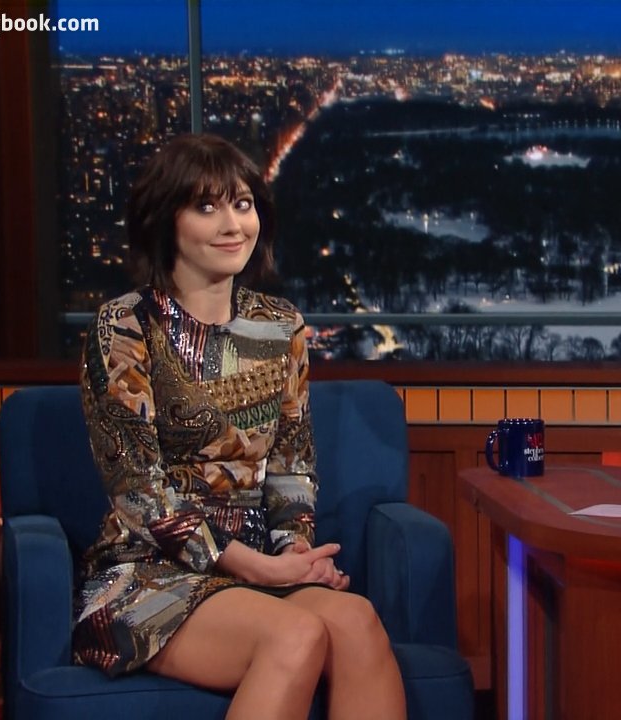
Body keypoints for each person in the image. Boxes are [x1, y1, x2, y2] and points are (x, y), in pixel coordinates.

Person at [73, 134, 406, 719]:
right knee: (295, 634)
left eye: (243, 204)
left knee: (356, 622)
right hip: (147, 573)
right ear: (165, 220)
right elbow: (139, 493)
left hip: (261, 565)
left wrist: (295, 552)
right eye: (207, 207)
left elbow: (291, 464)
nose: (233, 225)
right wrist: (255, 567)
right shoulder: (123, 326)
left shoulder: (280, 325)